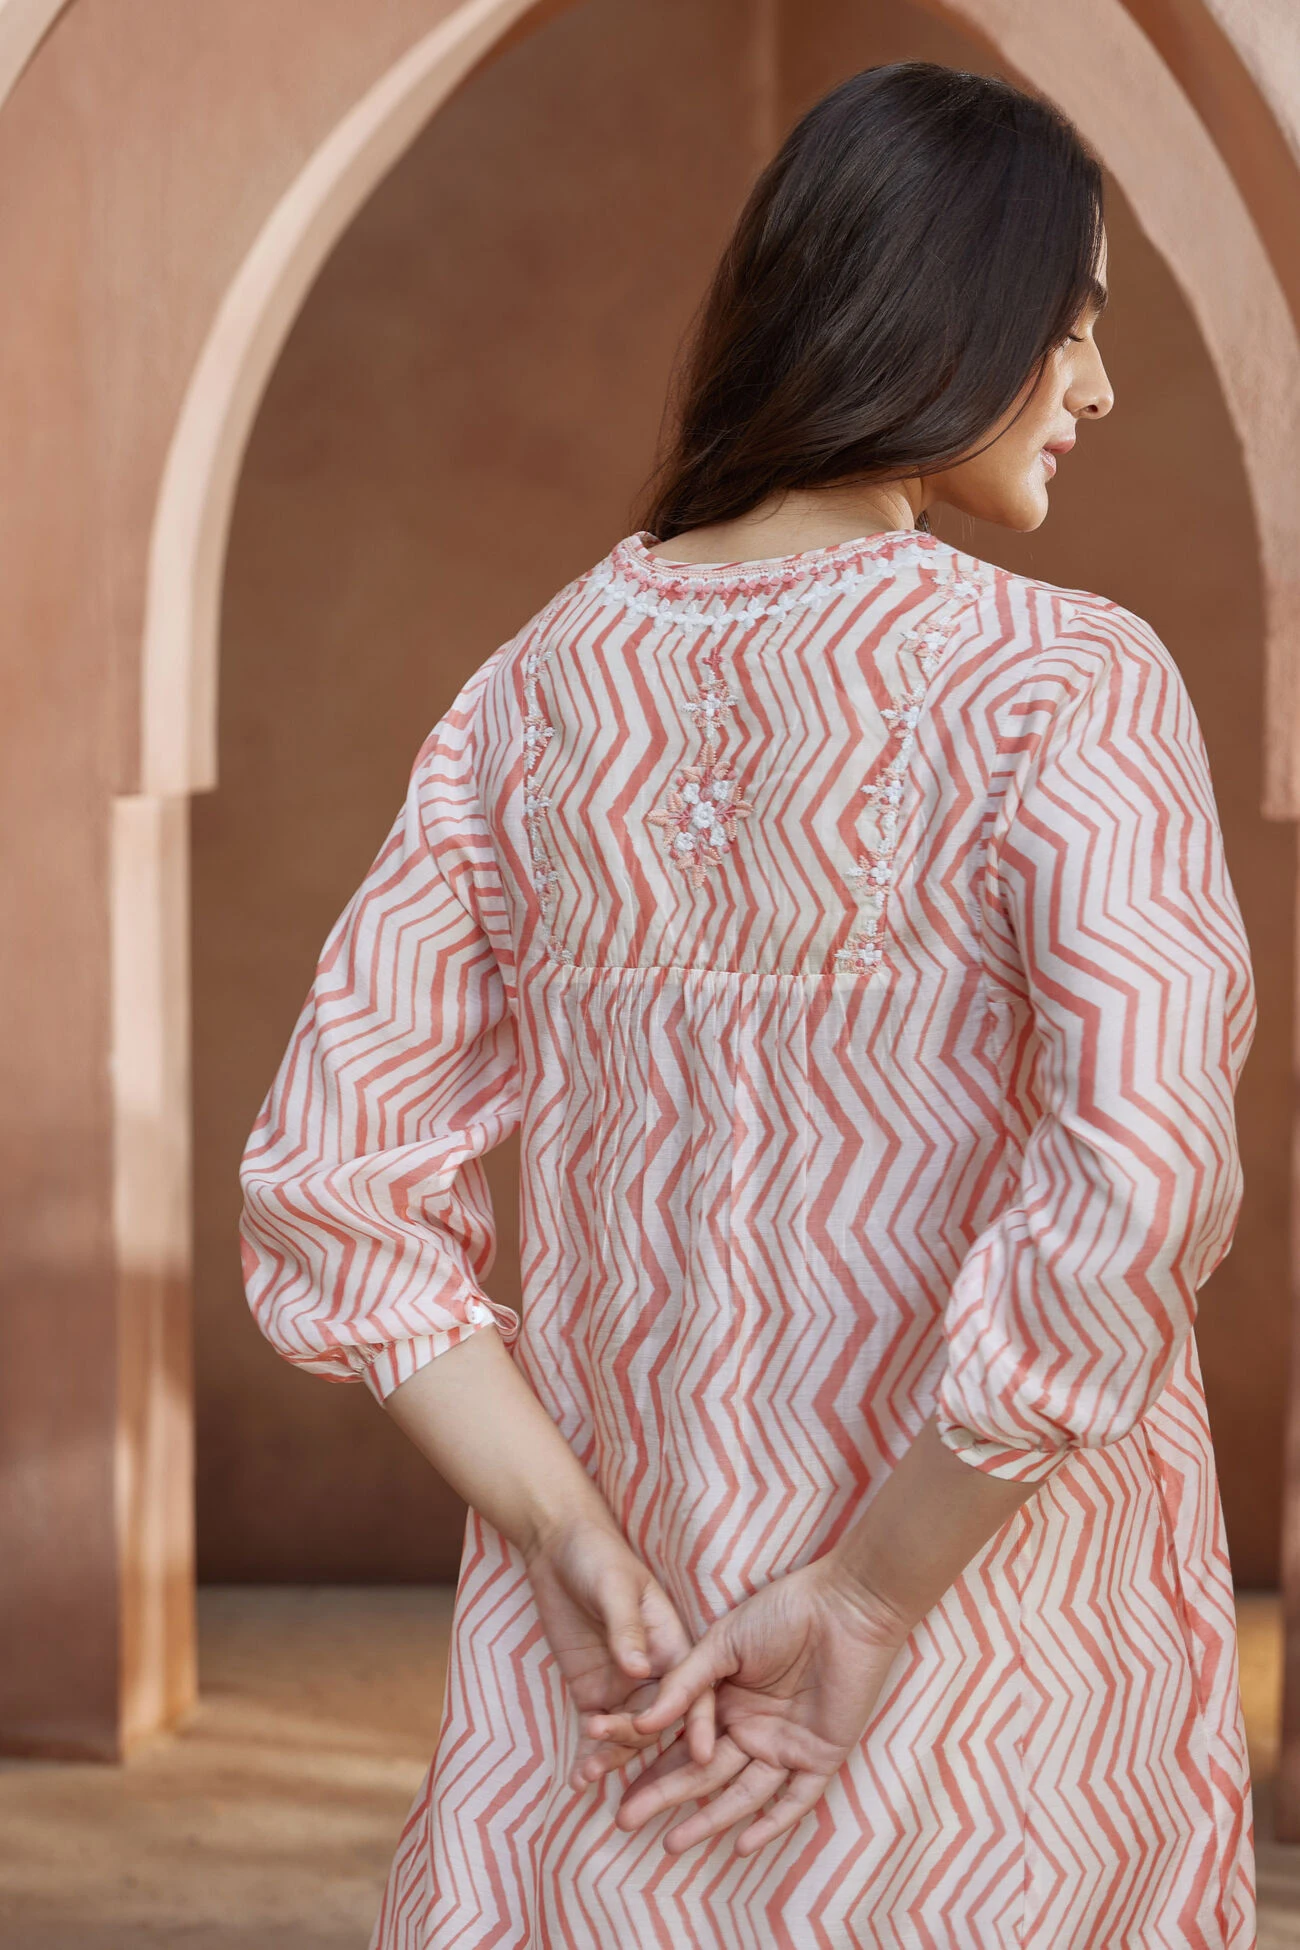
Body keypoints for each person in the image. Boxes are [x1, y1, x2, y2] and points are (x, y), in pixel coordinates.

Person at [239, 60, 1257, 1950]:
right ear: (943, 310)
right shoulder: (1067, 687)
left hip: (621, 1696)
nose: (1099, 384)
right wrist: (868, 1595)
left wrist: (567, 1540)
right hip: (989, 1700)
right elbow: (1139, 1189)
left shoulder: (534, 690)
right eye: (1070, 321)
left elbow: (329, 1186)